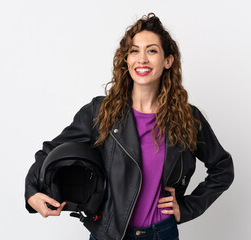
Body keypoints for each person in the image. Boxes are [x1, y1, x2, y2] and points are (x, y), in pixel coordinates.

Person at [25, 13, 234, 240]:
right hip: (109, 234)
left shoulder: (186, 117)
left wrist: (186, 207)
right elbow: (50, 150)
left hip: (161, 233)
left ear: (168, 61)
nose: (142, 59)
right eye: (134, 51)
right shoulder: (100, 111)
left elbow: (222, 167)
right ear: (126, 59)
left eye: (152, 50)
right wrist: (32, 192)